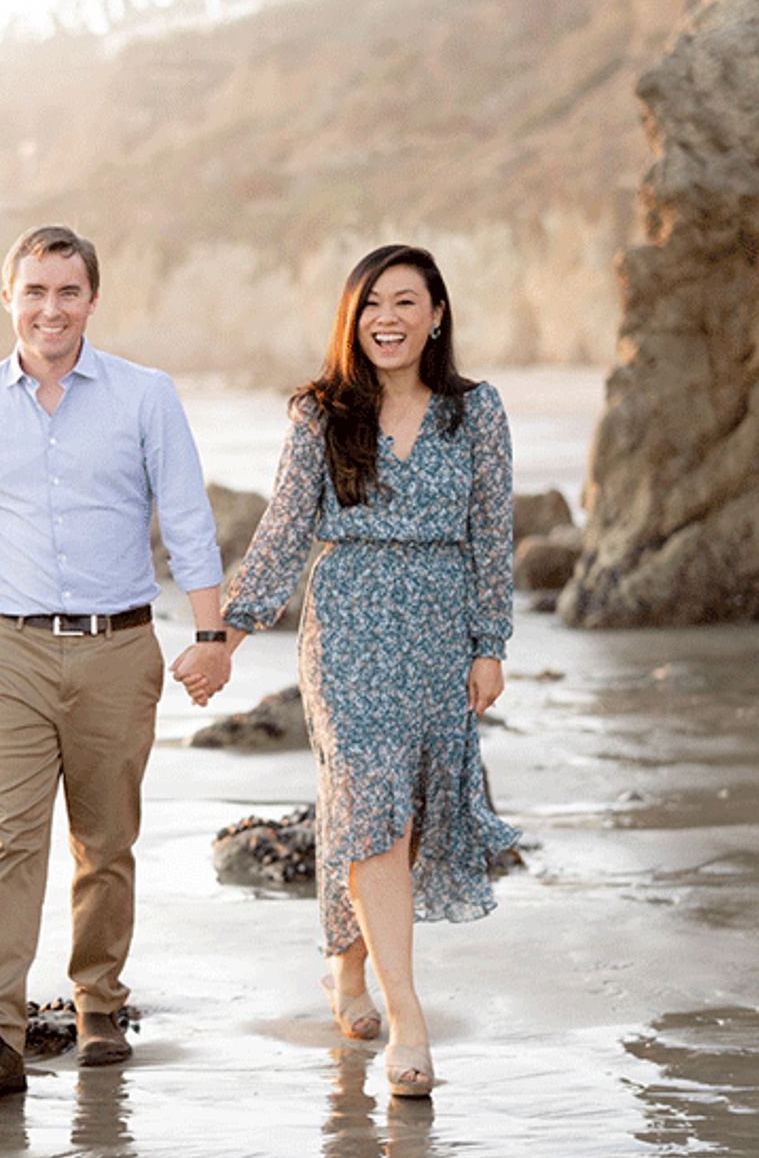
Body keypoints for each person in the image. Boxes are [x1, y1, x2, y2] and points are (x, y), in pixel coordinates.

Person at [0, 224, 230, 1101]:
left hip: (120, 648)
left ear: (92, 302)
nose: (51, 308)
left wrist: (211, 635)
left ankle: (99, 1006)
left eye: (67, 292)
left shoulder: (146, 396)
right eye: (34, 291)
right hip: (10, 655)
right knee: (9, 841)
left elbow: (187, 519)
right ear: (9, 298)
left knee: (106, 842)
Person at [177, 243, 518, 1097]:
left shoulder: (476, 413)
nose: (388, 320)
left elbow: (493, 536)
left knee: (396, 811)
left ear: (437, 315)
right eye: (372, 304)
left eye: (406, 302)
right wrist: (225, 635)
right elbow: (286, 529)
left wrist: (490, 644)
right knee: (374, 810)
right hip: (350, 627)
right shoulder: (321, 414)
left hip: (439, 627)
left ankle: (347, 964)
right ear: (351, 319)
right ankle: (407, 1015)